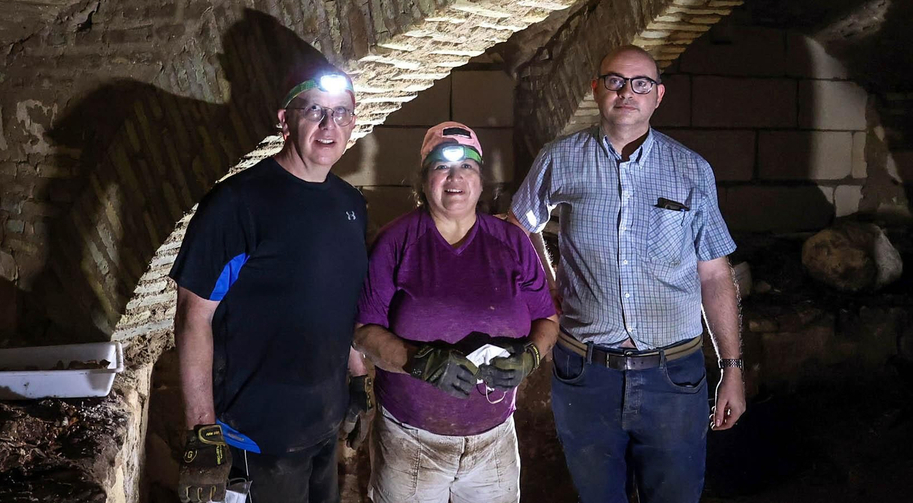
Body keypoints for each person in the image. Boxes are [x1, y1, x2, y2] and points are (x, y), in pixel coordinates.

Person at [510, 45, 745, 503]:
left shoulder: (691, 170)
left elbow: (715, 274)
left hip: (673, 377)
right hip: (586, 374)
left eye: (640, 84)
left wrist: (732, 368)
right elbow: (519, 227)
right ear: (596, 90)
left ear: (658, 96)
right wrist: (549, 287)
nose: (627, 92)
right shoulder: (561, 158)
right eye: (615, 81)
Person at [169, 66, 375, 503]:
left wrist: (358, 379)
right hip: (254, 436)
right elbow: (193, 316)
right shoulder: (236, 205)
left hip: (323, 424)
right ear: (284, 120)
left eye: (341, 113)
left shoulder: (350, 203)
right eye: (315, 110)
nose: (328, 125)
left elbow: (342, 300)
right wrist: (201, 432)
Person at [354, 122, 558, 503]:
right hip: (411, 441)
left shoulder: (511, 242)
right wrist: (419, 361)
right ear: (424, 178)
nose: (455, 177)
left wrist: (530, 356)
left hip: (494, 440)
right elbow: (364, 330)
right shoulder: (396, 242)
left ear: (481, 182)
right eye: (441, 167)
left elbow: (547, 319)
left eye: (467, 167)